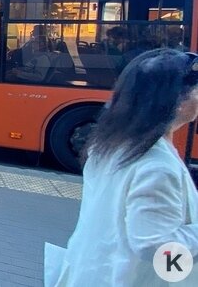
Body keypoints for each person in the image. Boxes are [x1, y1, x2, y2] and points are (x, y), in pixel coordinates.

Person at [45, 49, 198, 286]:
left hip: (90, 271)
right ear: (177, 102)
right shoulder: (156, 166)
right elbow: (154, 247)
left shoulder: (109, 145)